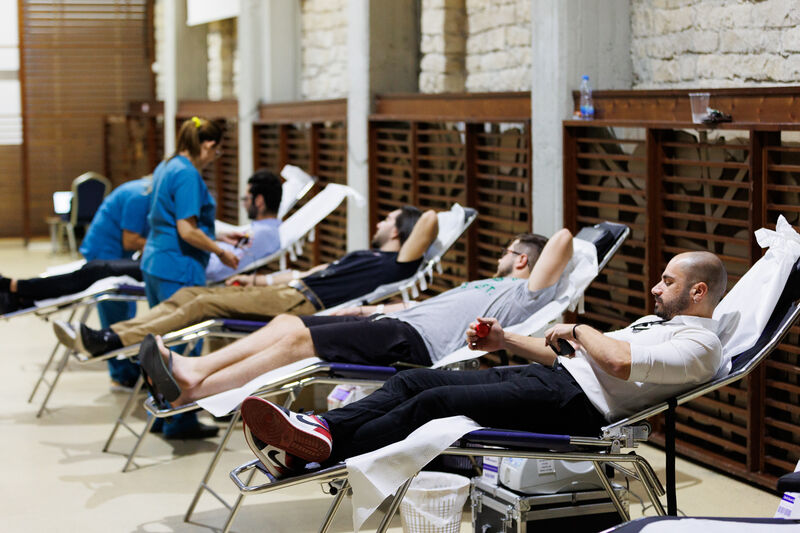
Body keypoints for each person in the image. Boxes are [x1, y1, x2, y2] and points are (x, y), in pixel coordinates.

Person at [236, 251, 728, 479]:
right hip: (554, 378)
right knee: (414, 380)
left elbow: (617, 363)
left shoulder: (699, 346)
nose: (656, 289)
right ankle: (320, 428)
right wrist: (502, 339)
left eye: (667, 282)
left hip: (576, 406)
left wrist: (579, 329)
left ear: (697, 291)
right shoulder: (654, 324)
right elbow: (574, 354)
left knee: (436, 403)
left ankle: (322, 454)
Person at [136, 228, 574, 408]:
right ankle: (193, 368)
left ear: (521, 260)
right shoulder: (482, 284)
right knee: (287, 325)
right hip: (396, 323)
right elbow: (414, 306)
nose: (500, 255)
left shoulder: (525, 293)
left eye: (508, 250)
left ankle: (191, 392)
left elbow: (564, 239)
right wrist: (370, 308)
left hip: (415, 345)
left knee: (298, 346)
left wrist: (539, 255)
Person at [61, 206, 437, 357]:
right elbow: (304, 272)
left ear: (400, 232)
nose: (378, 223)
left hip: (301, 305)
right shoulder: (365, 256)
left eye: (387, 220)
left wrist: (433, 216)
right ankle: (119, 333)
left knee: (204, 306)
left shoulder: (398, 264)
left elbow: (430, 219)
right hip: (286, 291)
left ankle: (111, 340)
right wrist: (254, 279)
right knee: (195, 293)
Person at [0, 176, 152, 389]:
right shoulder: (140, 196)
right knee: (106, 298)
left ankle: (18, 290)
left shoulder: (143, 191)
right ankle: (122, 373)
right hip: (110, 252)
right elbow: (131, 239)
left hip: (122, 261)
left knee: (92, 281)